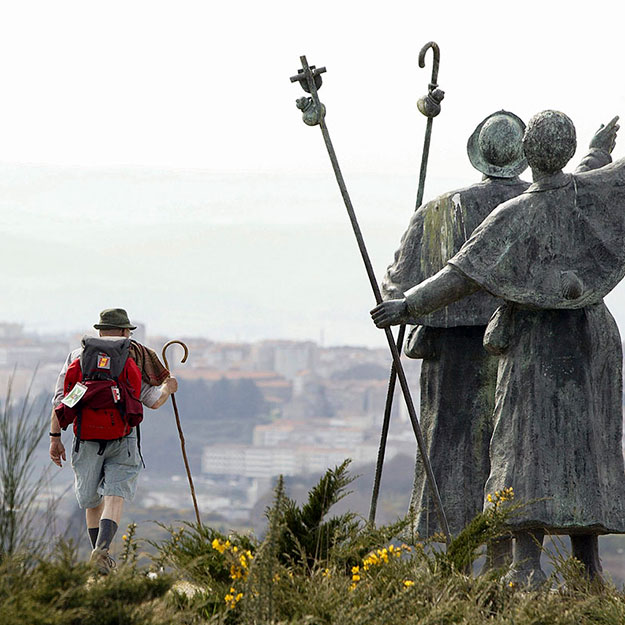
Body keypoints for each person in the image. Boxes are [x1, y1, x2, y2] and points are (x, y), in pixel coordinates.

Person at [372, 111, 625, 585]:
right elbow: (597, 179)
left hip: (536, 344)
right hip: (592, 339)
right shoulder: (586, 195)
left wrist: (405, 306)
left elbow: (457, 277)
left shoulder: (513, 215)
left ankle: (525, 570)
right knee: (584, 453)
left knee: (523, 447)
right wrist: (599, 151)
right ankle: (586, 570)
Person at [49, 308, 178, 573]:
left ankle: (100, 560)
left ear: (100, 330)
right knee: (115, 495)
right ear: (123, 332)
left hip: (85, 439)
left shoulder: (78, 356)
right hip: (123, 437)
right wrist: (167, 388)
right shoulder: (132, 356)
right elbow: (152, 401)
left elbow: (61, 400)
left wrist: (55, 438)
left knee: (91, 501)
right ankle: (102, 552)